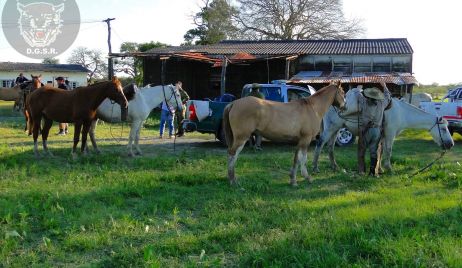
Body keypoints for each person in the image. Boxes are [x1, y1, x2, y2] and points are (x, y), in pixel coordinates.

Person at [357, 81, 392, 177]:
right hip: (376, 131)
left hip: (365, 130)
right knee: (374, 151)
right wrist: (384, 86)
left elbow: (358, 94)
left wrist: (359, 89)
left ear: (368, 96)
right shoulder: (382, 104)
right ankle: (372, 172)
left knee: (362, 150)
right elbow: (388, 96)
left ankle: (361, 171)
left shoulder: (364, 102)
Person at [246, 83, 265, 150]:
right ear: (258, 88)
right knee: (259, 131)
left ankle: (251, 144)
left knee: (250, 131)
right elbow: (263, 104)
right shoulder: (261, 95)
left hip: (249, 114)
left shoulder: (248, 95)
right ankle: (257, 145)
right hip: (258, 114)